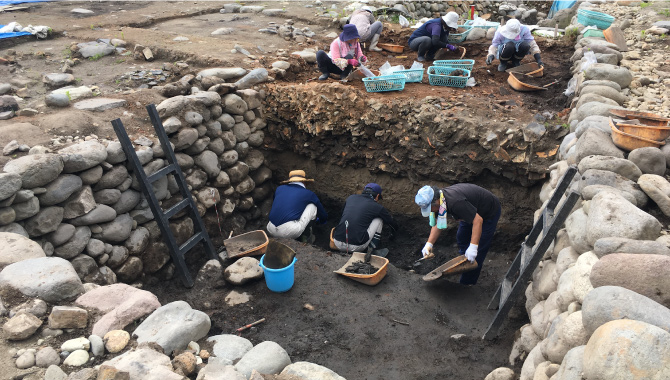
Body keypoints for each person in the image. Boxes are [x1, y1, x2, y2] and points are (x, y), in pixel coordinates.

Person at [414, 184, 501, 285]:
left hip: (487, 213)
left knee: (477, 252)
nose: (430, 211)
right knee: (462, 237)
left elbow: (478, 220)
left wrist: (473, 247)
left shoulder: (455, 203)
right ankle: (463, 261)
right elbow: (438, 222)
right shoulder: (440, 202)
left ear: (437, 201)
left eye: (430, 208)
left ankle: (467, 284)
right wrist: (429, 244)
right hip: (468, 212)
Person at [332, 183, 398, 257]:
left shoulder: (351, 198)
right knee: (379, 220)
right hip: (356, 247)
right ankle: (371, 251)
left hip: (337, 242)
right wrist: (394, 233)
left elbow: (342, 213)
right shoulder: (377, 207)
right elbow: (391, 222)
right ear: (377, 196)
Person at [267, 170, 327, 243]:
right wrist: (321, 221)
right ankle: (307, 237)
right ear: (304, 182)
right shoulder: (309, 194)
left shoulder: (279, 189)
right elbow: (323, 215)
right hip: (289, 232)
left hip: (271, 228)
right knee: (312, 205)